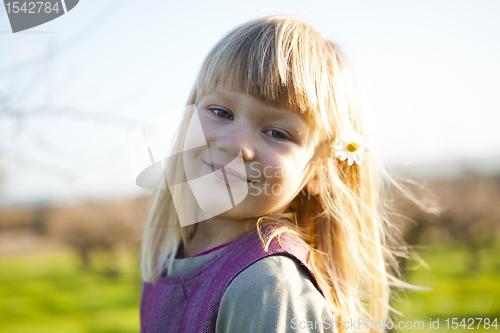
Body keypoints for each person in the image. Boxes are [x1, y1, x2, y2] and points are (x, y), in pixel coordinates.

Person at [138, 15, 411, 333]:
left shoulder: (266, 287)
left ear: (320, 171)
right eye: (221, 112)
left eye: (278, 133)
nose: (236, 145)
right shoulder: (169, 258)